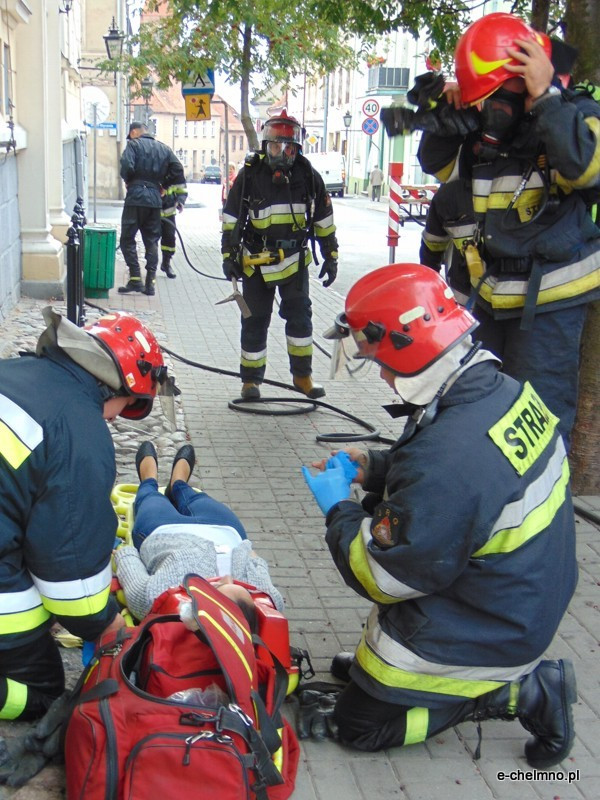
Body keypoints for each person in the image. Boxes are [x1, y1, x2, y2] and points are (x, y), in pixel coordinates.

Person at [301, 263, 578, 767]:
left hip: (491, 626)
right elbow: (467, 486)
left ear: (410, 347)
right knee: (369, 677)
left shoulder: (450, 457)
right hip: (517, 596)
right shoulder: (497, 390)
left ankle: (521, 693)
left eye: (380, 360)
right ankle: (394, 682)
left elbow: (382, 575)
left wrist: (339, 507)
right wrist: (376, 468)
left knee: (356, 725)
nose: (382, 374)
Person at [414, 12, 600, 448]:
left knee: (537, 425)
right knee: (476, 415)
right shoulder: (484, 132)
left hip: (548, 306)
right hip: (486, 299)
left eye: (500, 92)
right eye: (484, 97)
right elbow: (443, 169)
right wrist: (445, 113)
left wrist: (547, 99)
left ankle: (540, 513)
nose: (490, 107)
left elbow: (587, 168)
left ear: (529, 73)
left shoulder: (574, 113)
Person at [0, 307, 178, 724]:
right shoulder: (77, 429)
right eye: (125, 407)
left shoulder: (13, 372)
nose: (115, 419)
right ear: (118, 388)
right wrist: (109, 624)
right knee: (42, 694)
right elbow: (70, 580)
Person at [221, 110, 339, 400]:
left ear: (297, 148)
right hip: (255, 261)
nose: (281, 153)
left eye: (288, 147)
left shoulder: (308, 176)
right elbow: (232, 218)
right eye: (275, 146)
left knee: (300, 319)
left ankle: (303, 376)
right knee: (254, 319)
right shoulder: (250, 176)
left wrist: (331, 254)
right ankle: (250, 381)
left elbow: (323, 219)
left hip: (294, 260)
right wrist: (229, 255)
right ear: (265, 145)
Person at [113, 441, 284, 621]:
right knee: (193, 495)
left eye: (218, 586)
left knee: (149, 496)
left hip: (164, 531)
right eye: (242, 589)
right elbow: (255, 559)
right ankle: (178, 483)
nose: (227, 578)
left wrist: (126, 552)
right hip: (223, 529)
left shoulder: (155, 597)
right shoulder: (269, 601)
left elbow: (130, 568)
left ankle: (149, 479)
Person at [118, 121, 186, 296]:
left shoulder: (133, 145)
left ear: (134, 132)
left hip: (135, 196)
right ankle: (150, 284)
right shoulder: (163, 149)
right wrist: (164, 183)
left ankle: (135, 278)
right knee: (151, 240)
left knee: (127, 239)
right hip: (155, 199)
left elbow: (126, 165)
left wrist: (130, 180)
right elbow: (178, 168)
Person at [159, 168, 188, 280]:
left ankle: (166, 263)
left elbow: (182, 190)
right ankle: (150, 268)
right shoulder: (151, 167)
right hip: (152, 213)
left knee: (170, 238)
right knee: (151, 240)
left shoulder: (173, 171)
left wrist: (180, 201)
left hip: (169, 212)